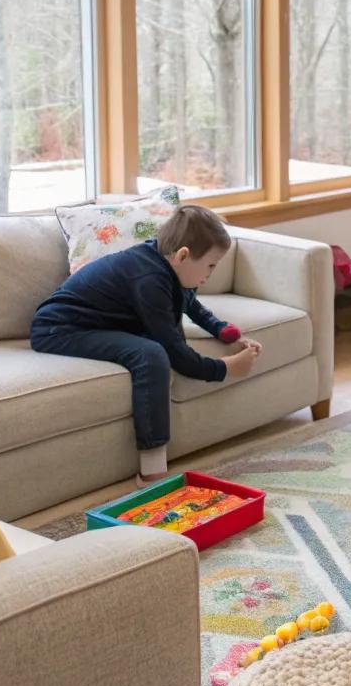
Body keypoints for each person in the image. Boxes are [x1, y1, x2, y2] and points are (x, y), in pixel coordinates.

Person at [31, 205, 260, 483]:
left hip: (99, 321)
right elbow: (178, 355)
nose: (211, 274)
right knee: (151, 354)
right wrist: (226, 368)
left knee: (154, 338)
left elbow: (189, 302)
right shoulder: (149, 279)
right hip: (59, 328)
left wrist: (225, 332)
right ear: (183, 255)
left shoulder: (167, 264)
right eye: (210, 266)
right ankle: (151, 472)